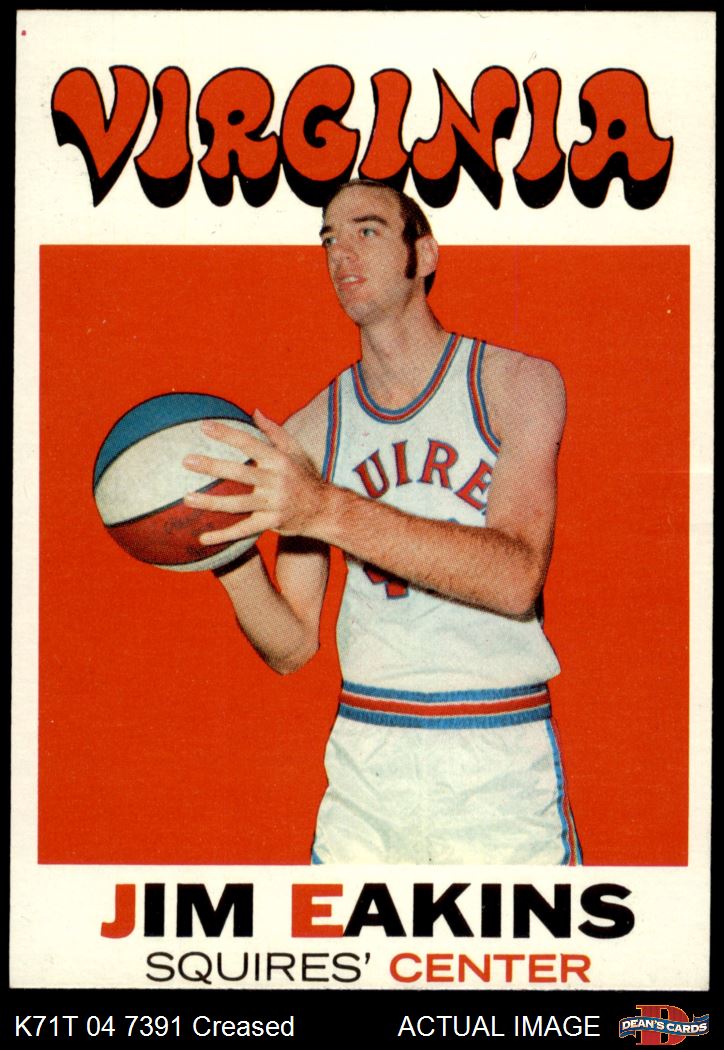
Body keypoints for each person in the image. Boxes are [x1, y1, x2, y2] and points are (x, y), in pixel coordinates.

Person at [183, 178, 581, 865]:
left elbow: (516, 577)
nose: (342, 255)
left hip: (496, 745)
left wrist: (324, 507)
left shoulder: (516, 384)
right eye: (329, 241)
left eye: (366, 231)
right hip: (369, 752)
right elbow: (292, 646)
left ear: (423, 254)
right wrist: (222, 549)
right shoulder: (312, 429)